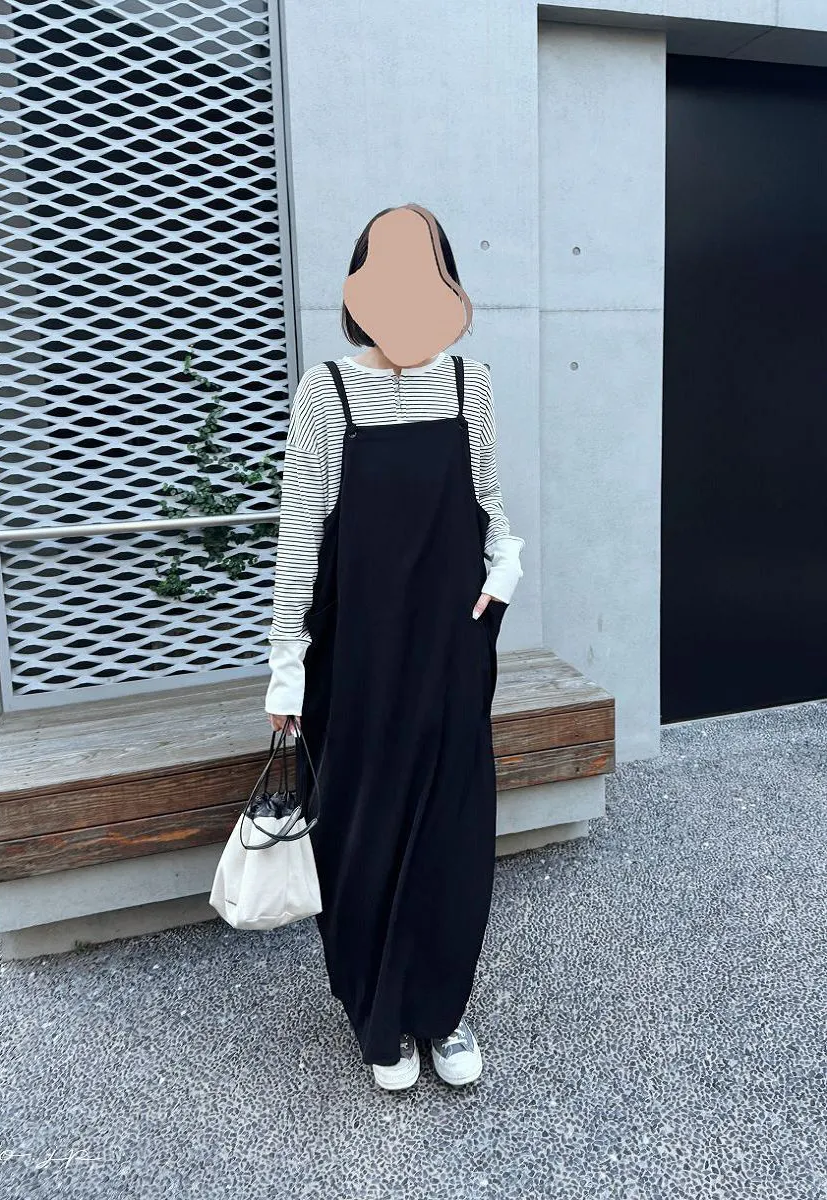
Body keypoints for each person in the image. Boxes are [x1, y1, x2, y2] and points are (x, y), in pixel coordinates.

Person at [264, 206, 525, 1091]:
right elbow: (300, 532)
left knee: (452, 829)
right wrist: (285, 664)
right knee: (360, 830)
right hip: (358, 658)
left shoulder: (469, 385)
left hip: (450, 649)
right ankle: (377, 1014)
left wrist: (505, 567)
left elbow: (488, 503)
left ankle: (441, 1013)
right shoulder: (325, 393)